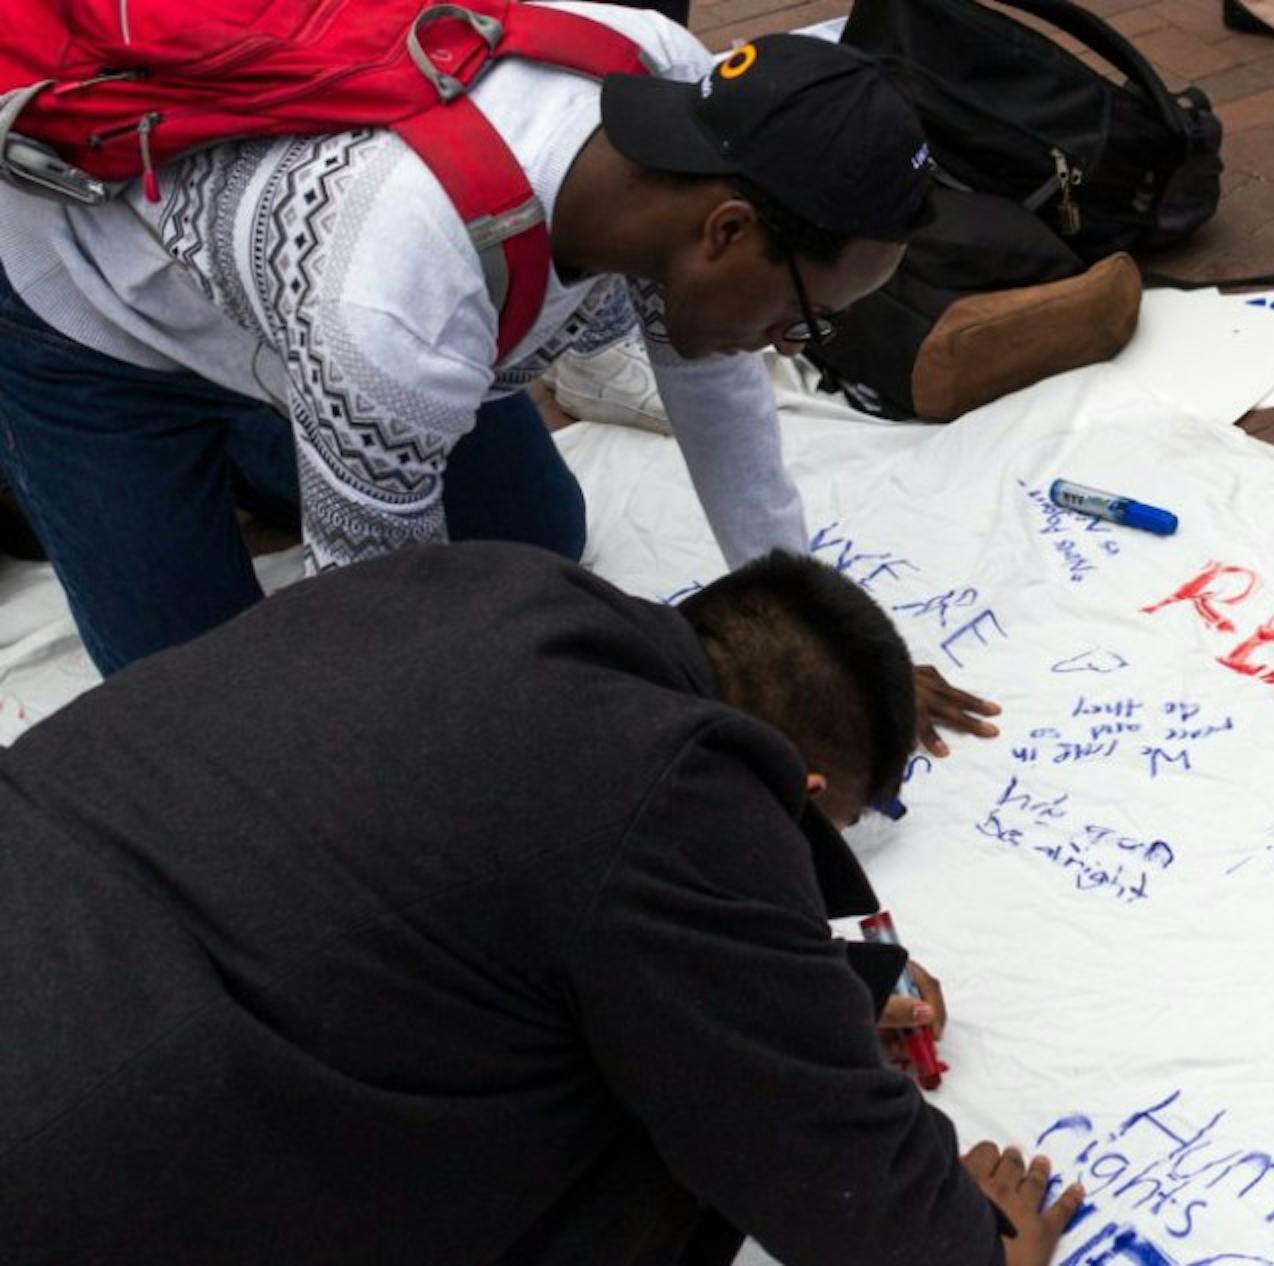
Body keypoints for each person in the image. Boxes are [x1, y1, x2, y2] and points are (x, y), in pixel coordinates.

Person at [0, 540, 1083, 1265]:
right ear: (794, 789)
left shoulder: (482, 584)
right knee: (655, 1157)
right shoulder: (678, 782)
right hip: (89, 1160)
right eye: (819, 845)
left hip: (53, 916)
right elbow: (822, 1170)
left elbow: (490, 876)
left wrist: (831, 980)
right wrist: (974, 1244)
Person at [0, 14, 924, 685]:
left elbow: (714, 383)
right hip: (94, 324)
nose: (784, 345)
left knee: (538, 544)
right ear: (726, 230)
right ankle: (185, 451)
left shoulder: (671, 84)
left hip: (318, 312)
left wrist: (820, 640)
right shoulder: (396, 310)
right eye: (801, 316)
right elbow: (375, 643)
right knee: (203, 704)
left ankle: (278, 442)